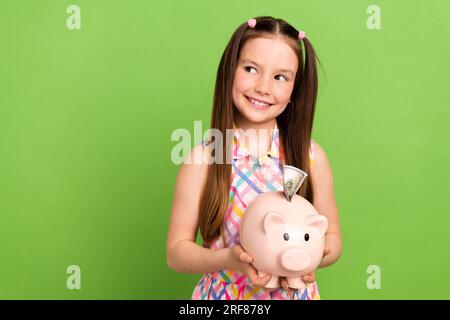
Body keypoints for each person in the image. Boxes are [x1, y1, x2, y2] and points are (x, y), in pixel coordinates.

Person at [166, 16, 342, 300]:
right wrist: (228, 259)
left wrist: (308, 256)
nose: (263, 87)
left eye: (280, 77)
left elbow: (333, 239)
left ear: (295, 90)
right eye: (251, 69)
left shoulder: (311, 158)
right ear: (230, 71)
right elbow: (176, 252)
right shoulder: (205, 158)